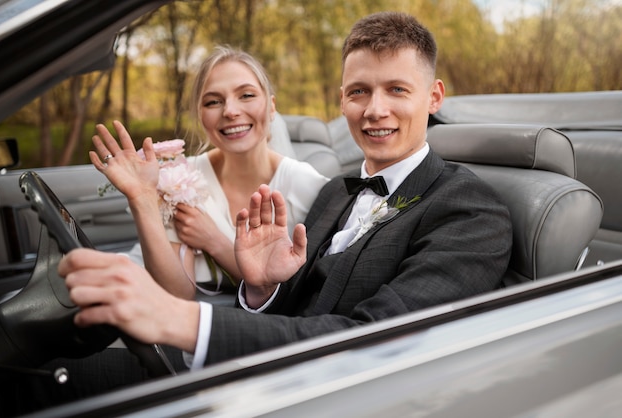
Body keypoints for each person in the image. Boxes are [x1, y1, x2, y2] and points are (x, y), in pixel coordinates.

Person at [57, 11, 512, 368]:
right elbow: (289, 305)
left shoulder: (470, 212)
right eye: (359, 92)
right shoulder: (337, 192)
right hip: (250, 356)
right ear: (341, 100)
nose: (375, 110)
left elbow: (372, 339)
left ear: (433, 97)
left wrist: (181, 320)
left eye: (396, 89)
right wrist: (261, 286)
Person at [90, 46, 328, 300]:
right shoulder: (179, 178)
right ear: (201, 116)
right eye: (213, 101)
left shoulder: (307, 185)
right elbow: (176, 294)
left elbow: (312, 294)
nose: (230, 111)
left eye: (246, 95)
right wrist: (142, 197)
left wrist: (215, 242)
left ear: (271, 107)